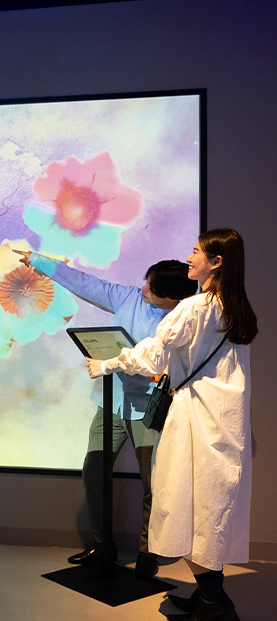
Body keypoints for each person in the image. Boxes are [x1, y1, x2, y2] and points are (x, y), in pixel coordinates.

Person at [86, 228, 256, 620]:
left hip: (195, 418)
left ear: (216, 262)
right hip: (224, 420)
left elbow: (152, 356)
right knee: (210, 505)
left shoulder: (194, 308)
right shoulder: (234, 308)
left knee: (185, 503)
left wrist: (107, 364)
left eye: (196, 252)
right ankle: (209, 593)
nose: (189, 258)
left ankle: (214, 601)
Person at [17, 249, 196, 577]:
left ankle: (149, 551)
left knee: (154, 483)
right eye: (145, 281)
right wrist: (40, 261)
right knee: (94, 471)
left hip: (151, 409)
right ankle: (101, 545)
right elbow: (86, 283)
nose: (143, 288)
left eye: (151, 286)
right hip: (112, 401)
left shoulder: (187, 317)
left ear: (172, 297)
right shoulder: (129, 297)